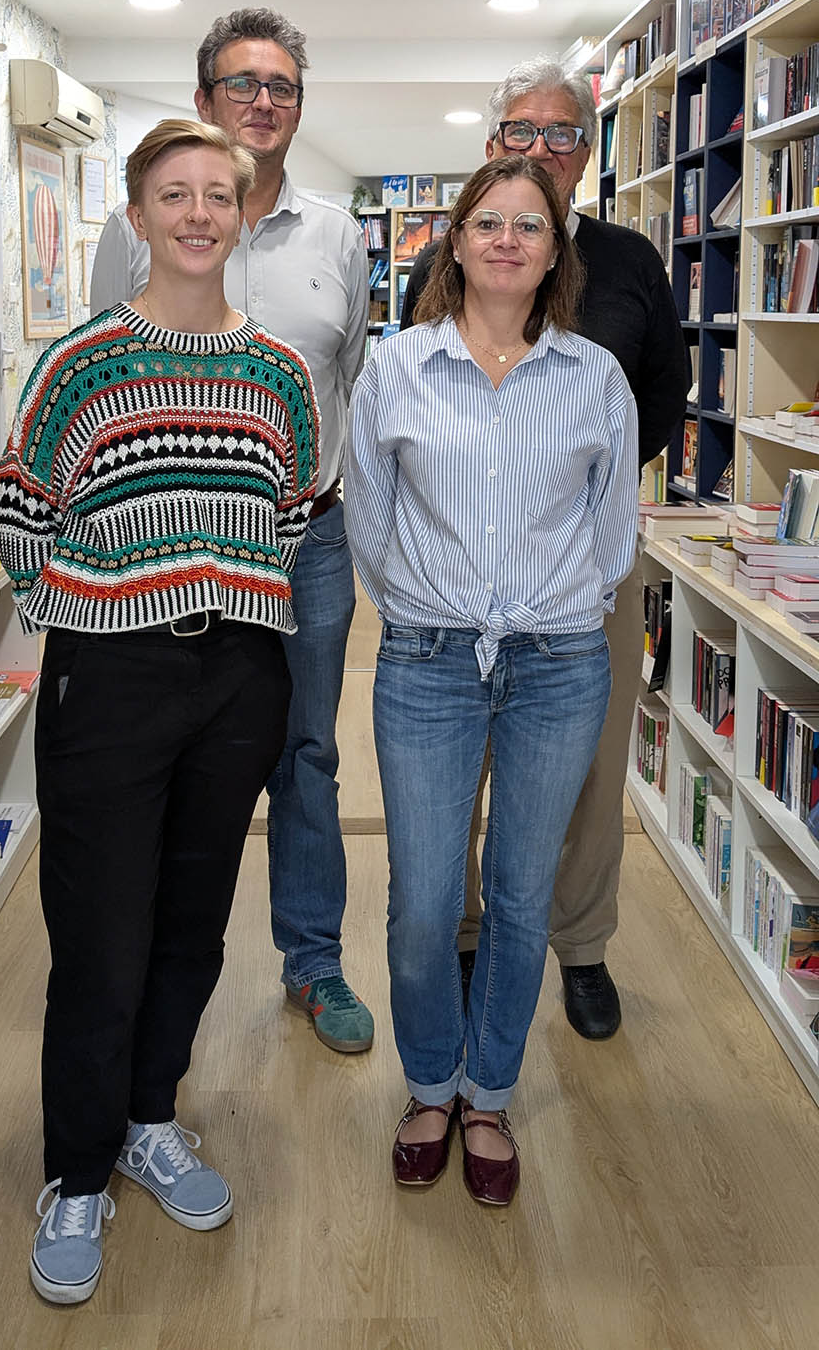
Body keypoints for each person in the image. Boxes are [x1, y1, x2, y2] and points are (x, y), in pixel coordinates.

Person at [0, 118, 319, 1305]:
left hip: (239, 672)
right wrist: (103, 609)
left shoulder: (280, 370)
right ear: (134, 217)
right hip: (112, 671)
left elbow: (290, 510)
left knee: (191, 918)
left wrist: (212, 592)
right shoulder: (80, 362)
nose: (196, 214)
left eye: (216, 196)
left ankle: (147, 1115)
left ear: (241, 214)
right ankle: (75, 1166)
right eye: (172, 195)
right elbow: (22, 516)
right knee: (99, 925)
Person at [345, 155, 638, 1204]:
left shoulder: (593, 376)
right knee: (425, 896)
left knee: (519, 895)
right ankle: (429, 1081)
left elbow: (612, 536)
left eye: (531, 223)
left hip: (559, 663)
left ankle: (489, 1091)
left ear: (555, 250)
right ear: (457, 241)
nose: (508, 237)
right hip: (427, 661)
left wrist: (549, 609)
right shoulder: (397, 368)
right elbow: (371, 521)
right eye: (489, 221)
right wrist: (431, 601)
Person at [90, 9, 374, 1054]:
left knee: (305, 753)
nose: (263, 101)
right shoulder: (138, 226)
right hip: (171, 544)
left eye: (283, 86)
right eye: (242, 83)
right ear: (203, 97)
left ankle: (314, 966)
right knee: (166, 754)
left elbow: (345, 391)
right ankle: (157, 977)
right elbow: (102, 372)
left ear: (300, 105)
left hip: (308, 545)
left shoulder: (339, 235)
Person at [400, 57, 688, 1039]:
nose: (538, 150)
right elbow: (407, 405)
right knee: (458, 761)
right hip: (456, 563)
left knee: (588, 767)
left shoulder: (632, 263)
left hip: (586, 561)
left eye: (560, 133)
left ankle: (583, 942)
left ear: (586, 149)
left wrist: (579, 497)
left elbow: (659, 399)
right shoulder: (444, 259)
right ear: (490, 151)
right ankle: (475, 930)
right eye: (519, 132)